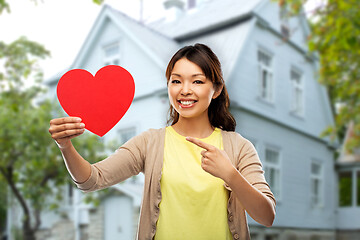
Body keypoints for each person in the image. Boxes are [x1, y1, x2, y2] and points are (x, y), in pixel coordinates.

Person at [49, 43, 276, 240]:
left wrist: (230, 174)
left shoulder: (239, 147)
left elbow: (266, 216)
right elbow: (91, 180)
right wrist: (65, 146)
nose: (185, 90)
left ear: (216, 89)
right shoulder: (150, 142)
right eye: (176, 81)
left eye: (197, 81)